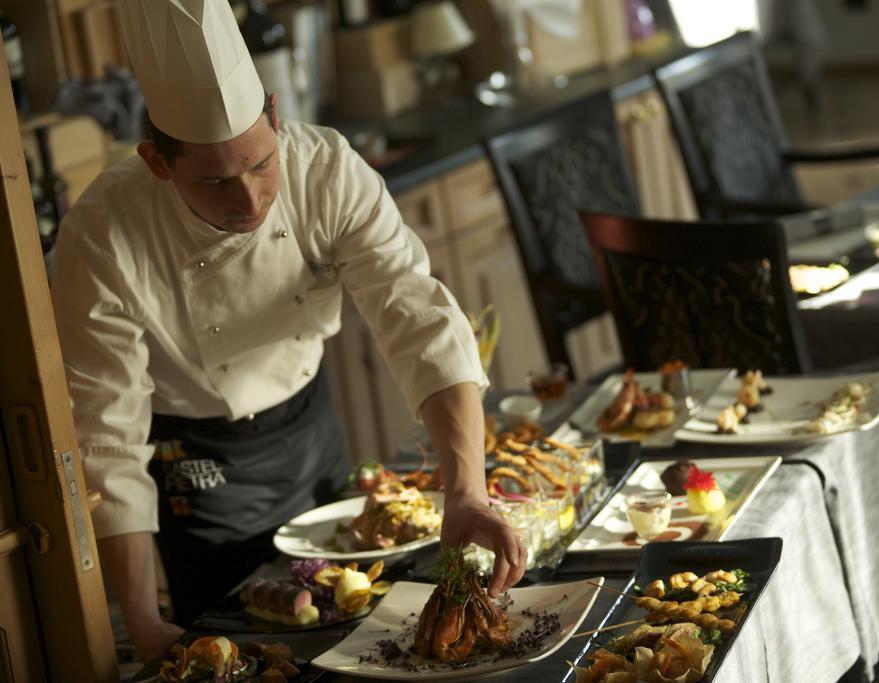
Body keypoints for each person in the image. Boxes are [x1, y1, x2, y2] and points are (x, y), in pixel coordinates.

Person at [50, 0, 525, 661]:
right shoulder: (102, 237)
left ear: (275, 116)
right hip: (197, 459)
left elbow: (418, 316)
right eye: (216, 179)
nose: (249, 199)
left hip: (309, 422)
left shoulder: (325, 169)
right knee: (244, 644)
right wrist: (140, 619)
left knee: (359, 625)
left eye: (260, 162)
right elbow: (105, 432)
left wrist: (465, 490)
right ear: (158, 163)